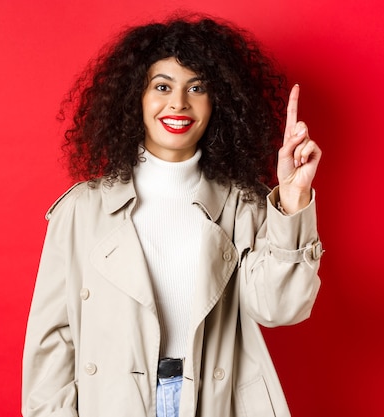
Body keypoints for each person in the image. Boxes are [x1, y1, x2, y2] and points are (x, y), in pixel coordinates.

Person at [22, 15, 323, 417]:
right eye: (162, 87)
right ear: (136, 99)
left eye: (196, 88)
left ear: (218, 102)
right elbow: (51, 342)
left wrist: (292, 196)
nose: (179, 103)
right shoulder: (81, 210)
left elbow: (279, 308)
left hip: (213, 404)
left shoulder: (243, 204)